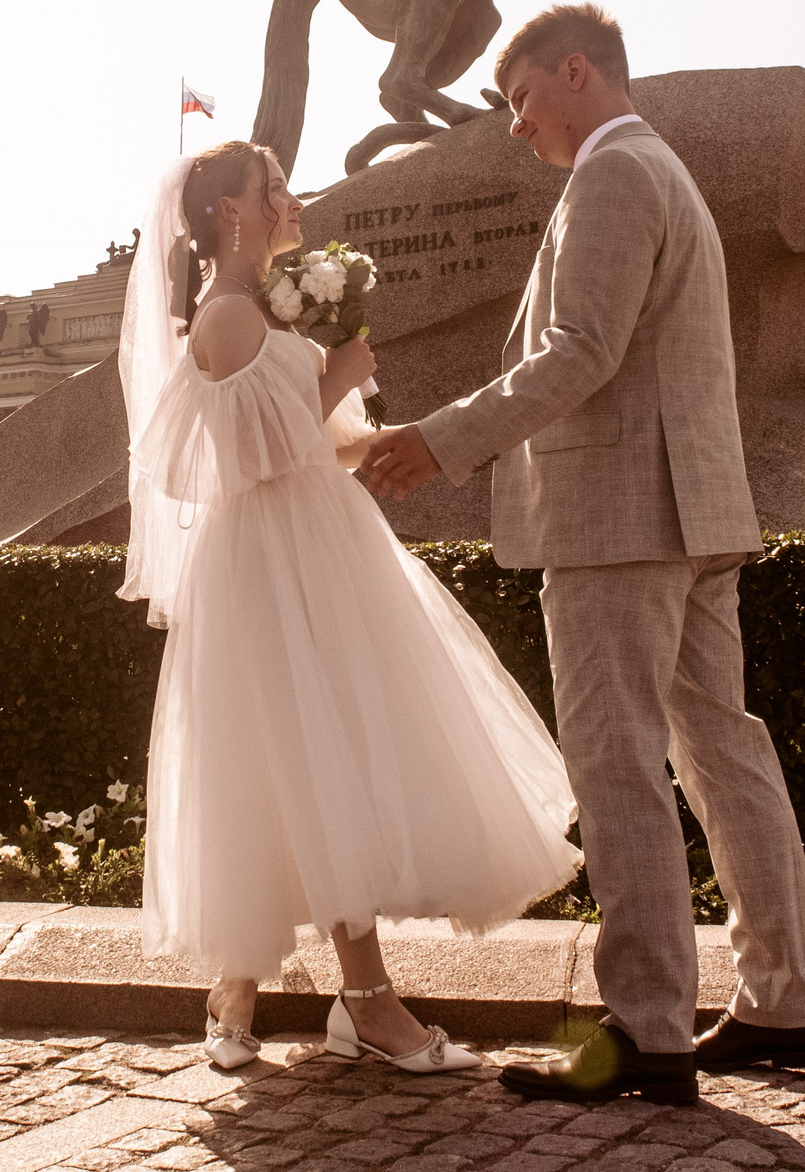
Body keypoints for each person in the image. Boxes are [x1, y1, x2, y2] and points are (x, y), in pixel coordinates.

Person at [364, 4, 805, 1106]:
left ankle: (646, 1027)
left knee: (618, 763)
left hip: (619, 520)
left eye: (521, 96)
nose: (514, 123)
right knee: (722, 752)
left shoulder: (615, 175)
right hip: (689, 511)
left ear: (577, 71)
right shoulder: (659, 170)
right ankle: (783, 998)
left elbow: (581, 349)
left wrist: (441, 439)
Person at [119, 139, 580, 1076]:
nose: (291, 200)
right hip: (270, 559)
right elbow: (238, 461)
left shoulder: (269, 309)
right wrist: (338, 371)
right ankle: (357, 999)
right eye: (273, 188)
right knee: (295, 753)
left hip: (322, 539)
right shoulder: (225, 315)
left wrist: (405, 438)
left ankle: (247, 993)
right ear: (229, 213)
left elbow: (319, 444)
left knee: (325, 756)